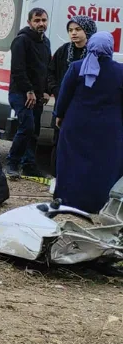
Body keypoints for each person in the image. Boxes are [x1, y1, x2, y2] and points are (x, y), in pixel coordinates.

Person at [53, 31, 123, 213]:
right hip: (109, 127)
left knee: (72, 163)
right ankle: (101, 203)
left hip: (77, 124)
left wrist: (59, 115)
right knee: (105, 165)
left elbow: (64, 95)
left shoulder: (77, 67)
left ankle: (69, 201)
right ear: (110, 47)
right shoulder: (120, 71)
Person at [6, 8, 51, 179]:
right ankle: (12, 163)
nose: (41, 23)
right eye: (37, 20)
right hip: (20, 93)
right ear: (29, 22)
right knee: (27, 127)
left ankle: (29, 165)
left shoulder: (46, 42)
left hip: (38, 95)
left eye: (44, 20)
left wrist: (46, 91)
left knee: (35, 131)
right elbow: (18, 69)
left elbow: (46, 69)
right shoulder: (21, 41)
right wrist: (28, 90)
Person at [47, 16, 96, 100]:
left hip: (85, 100)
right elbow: (50, 72)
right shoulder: (63, 50)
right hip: (62, 99)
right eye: (70, 30)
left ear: (87, 30)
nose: (73, 33)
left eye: (78, 29)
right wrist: (56, 90)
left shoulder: (93, 51)